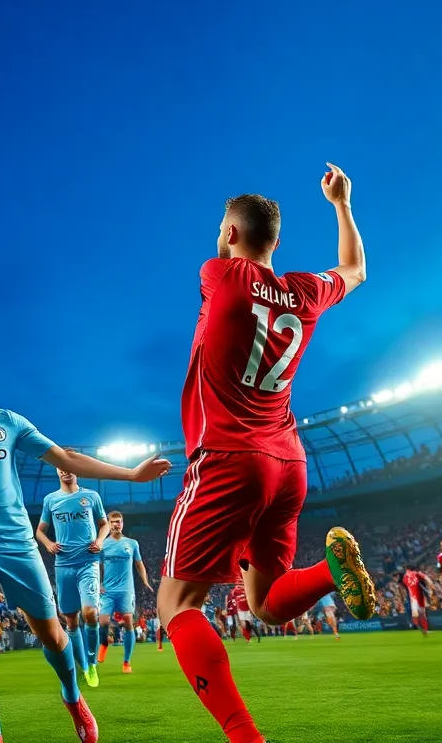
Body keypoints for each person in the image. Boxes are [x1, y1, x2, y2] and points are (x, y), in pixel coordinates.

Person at [156, 165, 376, 743]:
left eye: (221, 229)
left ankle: (244, 737)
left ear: (230, 234)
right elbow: (356, 269)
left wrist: (231, 248)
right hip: (288, 463)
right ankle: (330, 571)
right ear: (276, 242)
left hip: (229, 458)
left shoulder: (219, 273)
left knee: (176, 606)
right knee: (268, 606)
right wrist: (342, 205)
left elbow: (227, 272)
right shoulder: (304, 292)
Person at [0, 342, 170, 743]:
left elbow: (65, 459)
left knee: (52, 635)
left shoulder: (8, 423)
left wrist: (131, 474)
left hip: (16, 543)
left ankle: (72, 697)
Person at [36, 460, 108, 687]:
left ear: (75, 469)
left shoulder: (91, 496)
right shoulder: (51, 500)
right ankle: (83, 666)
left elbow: (104, 524)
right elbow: (39, 531)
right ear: (57, 471)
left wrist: (100, 540)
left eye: (68, 466)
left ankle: (92, 662)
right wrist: (48, 543)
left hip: (88, 561)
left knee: (90, 612)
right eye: (61, 467)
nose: (65, 470)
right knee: (71, 620)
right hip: (64, 564)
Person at [96, 510, 152, 673]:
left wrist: (145, 580)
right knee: (103, 622)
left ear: (122, 523)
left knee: (128, 621)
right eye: (113, 522)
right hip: (107, 590)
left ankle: (127, 662)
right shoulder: (102, 544)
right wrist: (98, 583)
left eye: (119, 521)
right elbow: (97, 566)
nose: (116, 524)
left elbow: (139, 564)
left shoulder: (132, 543)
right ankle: (104, 644)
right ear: (108, 524)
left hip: (126, 590)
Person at [402, 565, 435, 636]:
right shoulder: (416, 574)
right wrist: (432, 585)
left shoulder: (405, 577)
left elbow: (406, 585)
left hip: (413, 598)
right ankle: (423, 629)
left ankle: (420, 628)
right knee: (422, 614)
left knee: (417, 614)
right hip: (418, 597)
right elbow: (426, 578)